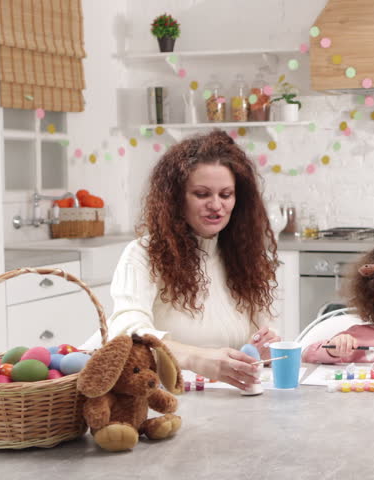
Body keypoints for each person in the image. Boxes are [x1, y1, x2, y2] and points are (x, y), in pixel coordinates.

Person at [81, 130, 280, 391]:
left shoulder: (245, 256)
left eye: (226, 194)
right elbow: (126, 333)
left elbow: (260, 332)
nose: (216, 206)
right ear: (175, 199)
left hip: (224, 399)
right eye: (202, 194)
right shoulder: (143, 253)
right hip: (159, 396)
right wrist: (196, 358)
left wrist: (265, 346)